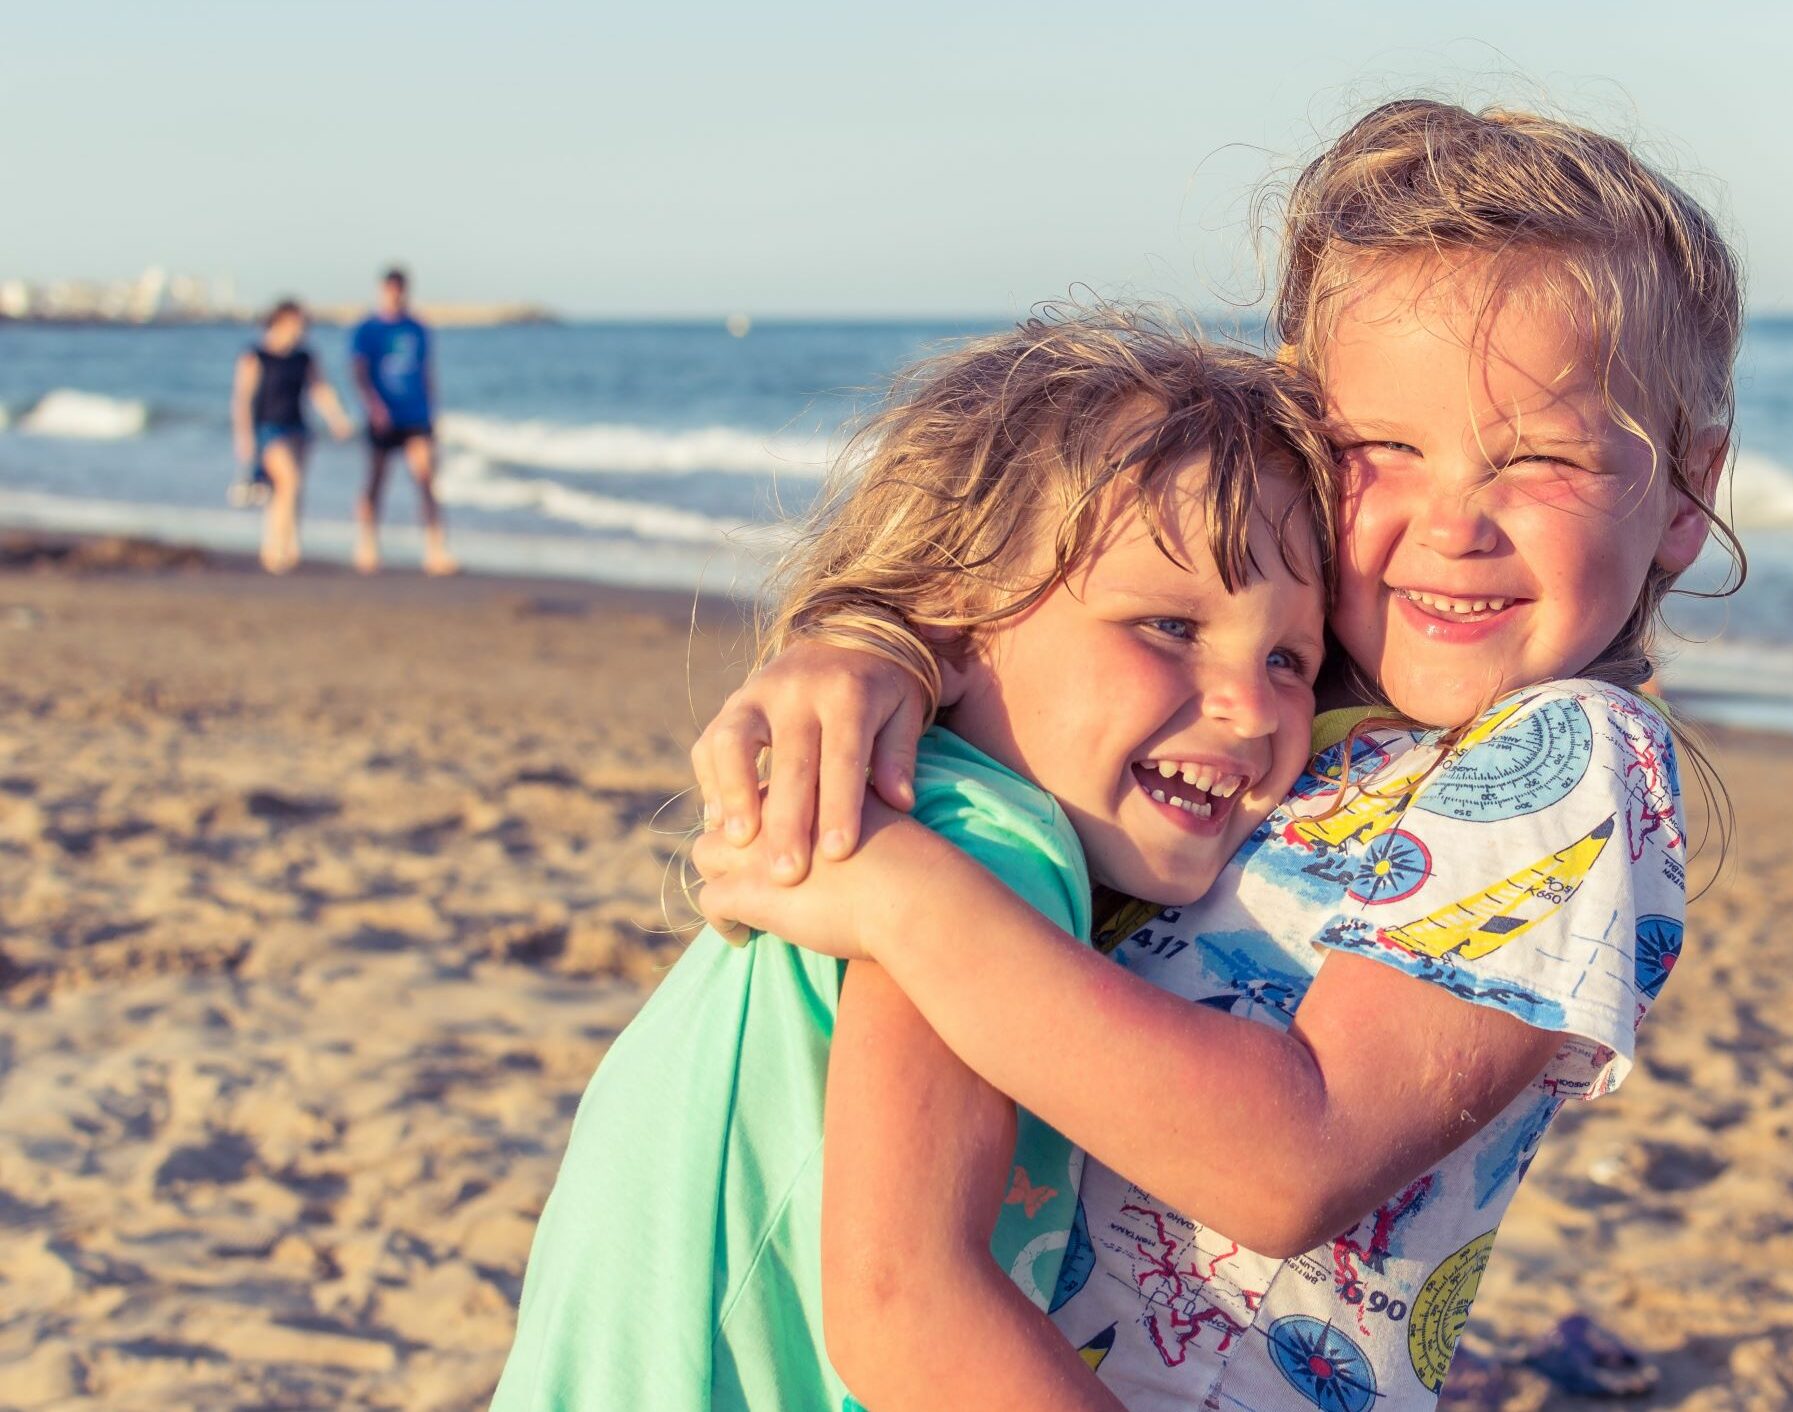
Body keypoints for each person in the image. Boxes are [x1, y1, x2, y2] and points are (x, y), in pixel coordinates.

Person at [690, 99, 1742, 1410]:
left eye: (1536, 458)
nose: (1453, 522)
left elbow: (1289, 1159)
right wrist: (875, 649)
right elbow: (1046, 609)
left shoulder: (1569, 763)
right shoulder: (1274, 723)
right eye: (1378, 450)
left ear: (1686, 496)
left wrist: (902, 894)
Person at [491, 307, 1337, 1411]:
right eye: (1168, 627)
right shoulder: (981, 842)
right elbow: (906, 1306)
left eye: (1289, 657)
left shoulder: (939, 810)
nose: (1249, 708)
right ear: (956, 620)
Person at [228, 299, 353, 574]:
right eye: (297, 323)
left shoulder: (304, 357)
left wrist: (337, 419)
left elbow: (319, 389)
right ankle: (276, 548)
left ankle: (286, 544)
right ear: (281, 321)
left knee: (288, 492)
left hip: (298, 429)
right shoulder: (255, 355)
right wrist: (244, 437)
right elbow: (242, 399)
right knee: (289, 482)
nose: (301, 329)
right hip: (268, 430)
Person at [349, 267, 457, 575]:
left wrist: (434, 413)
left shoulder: (418, 329)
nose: (395, 296)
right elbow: (358, 372)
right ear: (382, 291)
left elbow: (427, 373)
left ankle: (436, 550)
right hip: (382, 417)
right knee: (376, 482)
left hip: (416, 415)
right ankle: (366, 545)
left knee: (425, 479)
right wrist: (373, 406)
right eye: (390, 290)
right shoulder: (367, 329)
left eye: (400, 290)